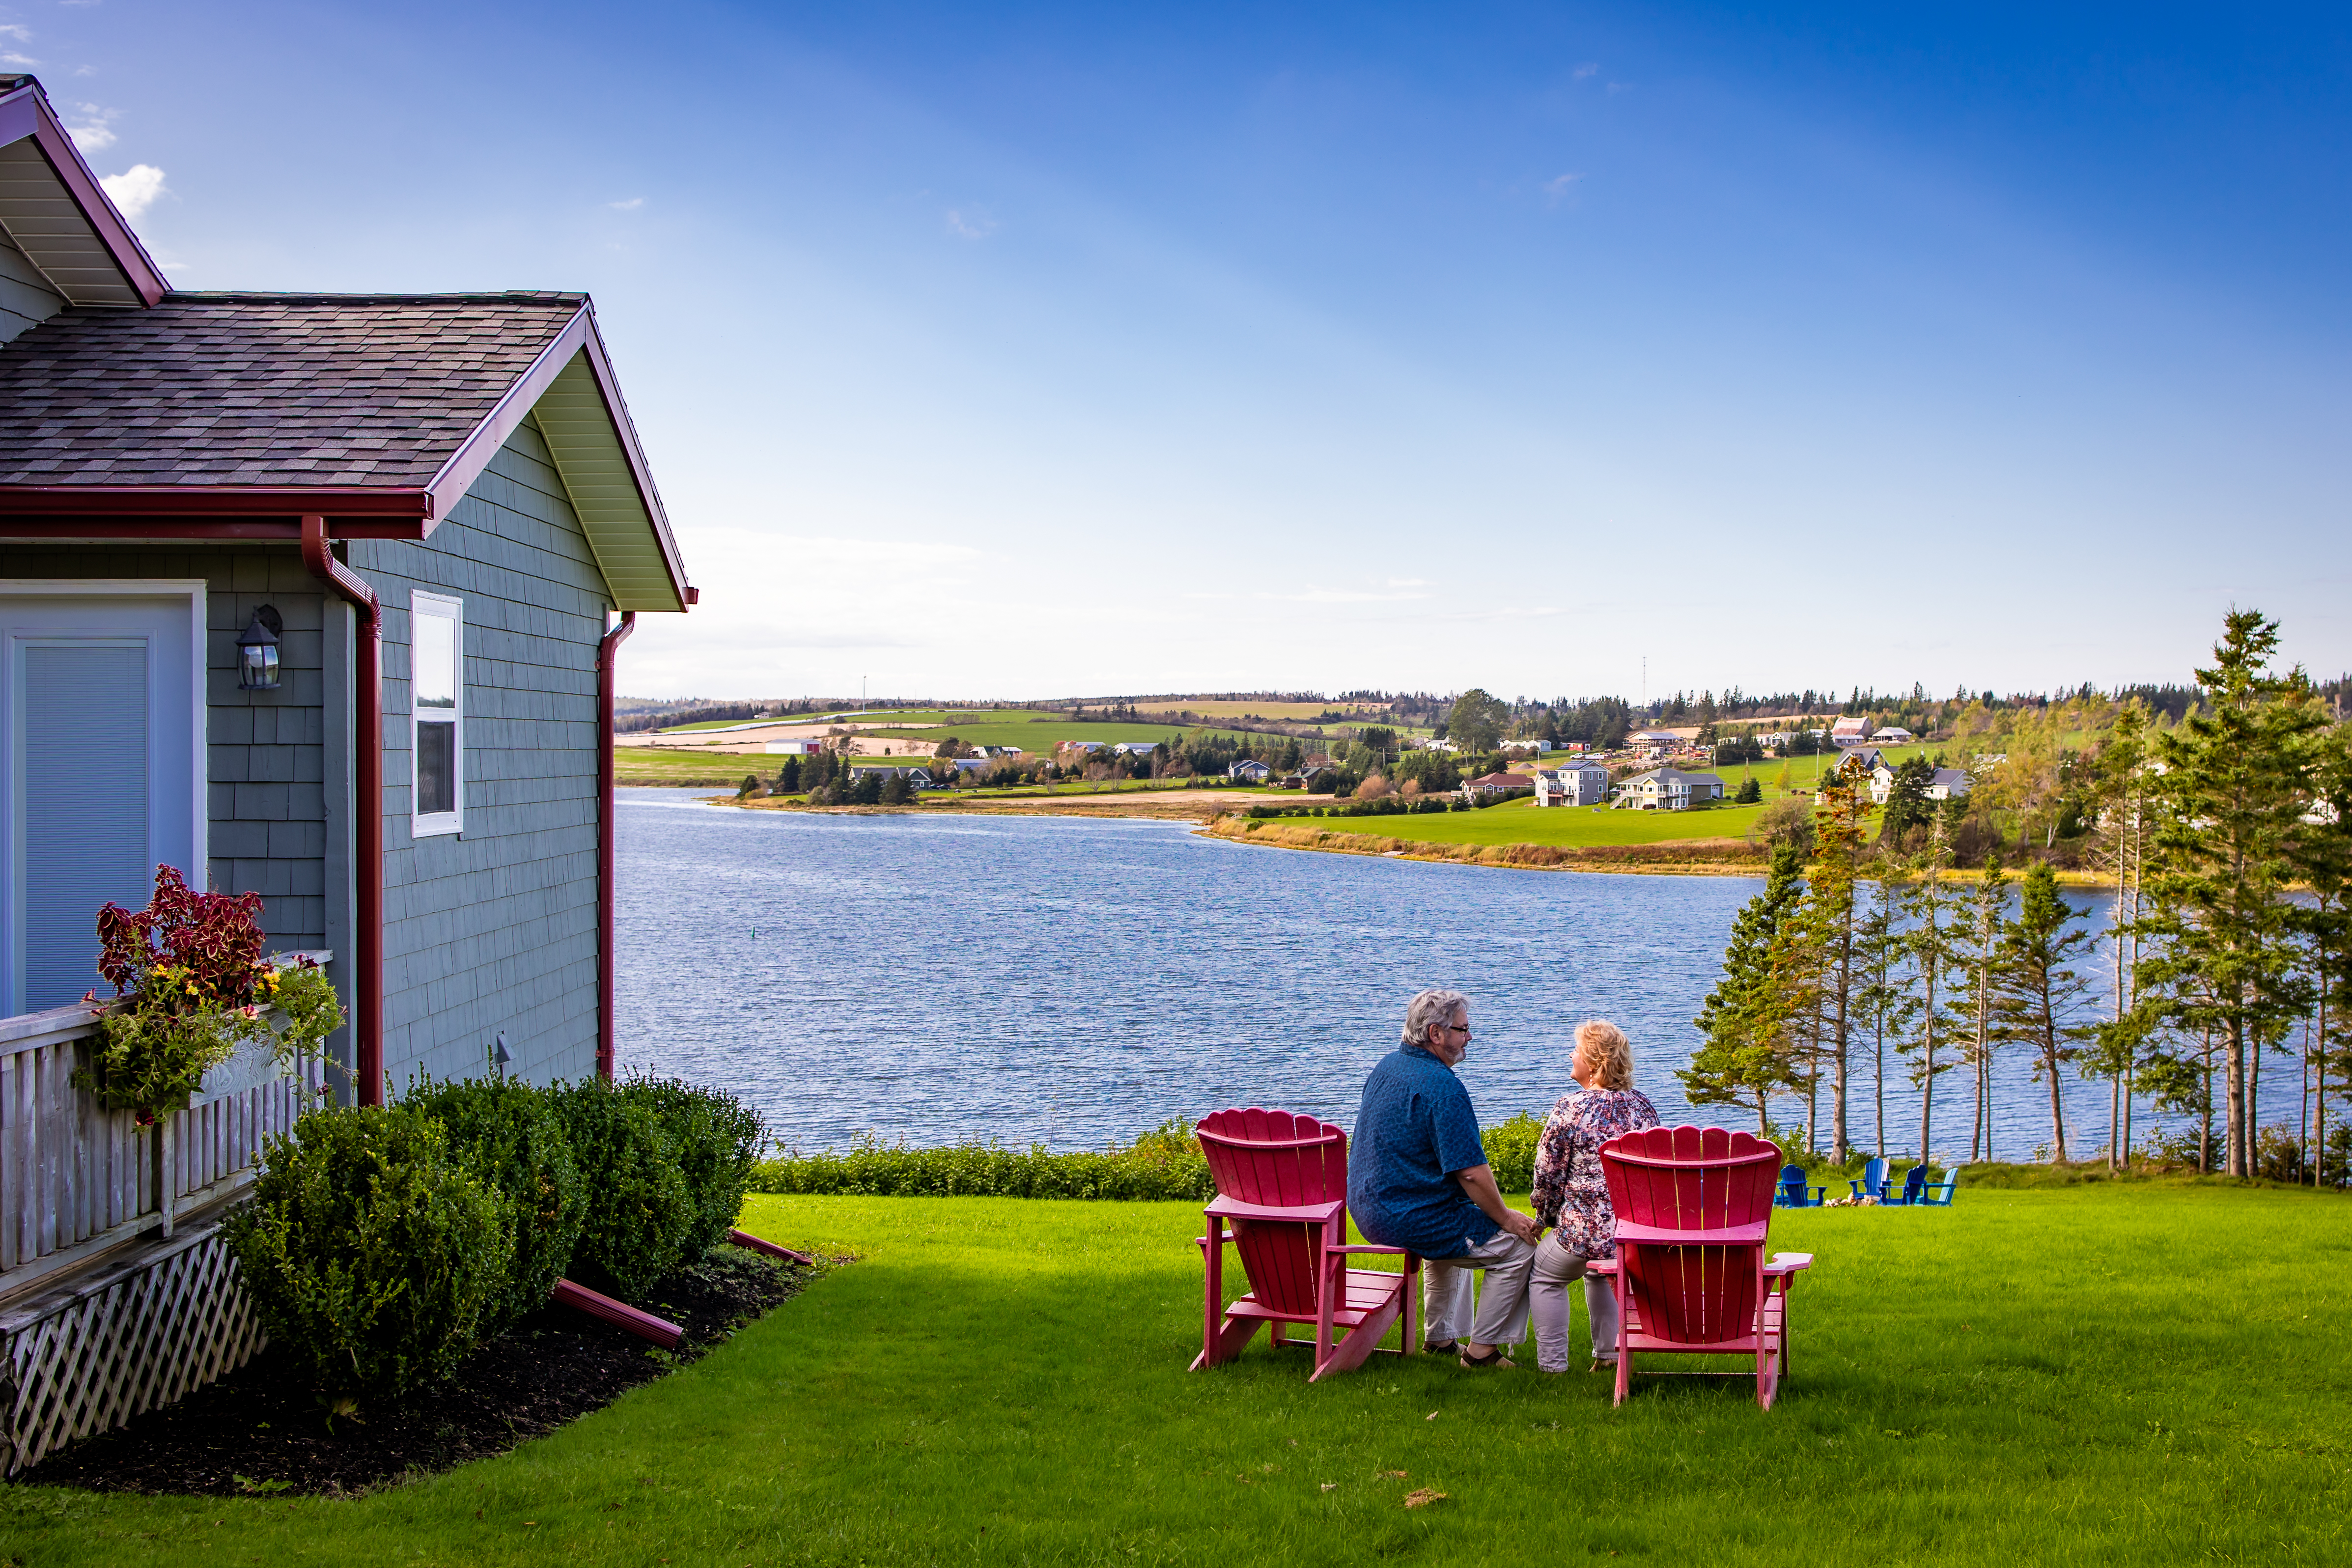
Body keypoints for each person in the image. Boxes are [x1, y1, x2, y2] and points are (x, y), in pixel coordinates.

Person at [1349, 988, 1543, 1369]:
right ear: (1436, 1034)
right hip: (1409, 1216)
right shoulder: (1443, 1086)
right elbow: (1469, 1171)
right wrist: (1506, 1217)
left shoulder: (1388, 1067)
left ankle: (1440, 1339)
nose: (1469, 1037)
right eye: (1463, 1030)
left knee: (1461, 1222)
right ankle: (1482, 1352)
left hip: (1370, 1208)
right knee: (1520, 1248)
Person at [1528, 1019, 1662, 1373]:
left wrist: (1544, 1219)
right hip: (1630, 1236)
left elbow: (1547, 1176)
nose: (1570, 1055)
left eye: (1576, 1051)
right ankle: (1608, 1355)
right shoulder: (1644, 1109)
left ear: (1593, 1062)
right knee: (1601, 1271)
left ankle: (1552, 1367)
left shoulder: (1571, 1109)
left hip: (1582, 1233)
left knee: (1546, 1277)